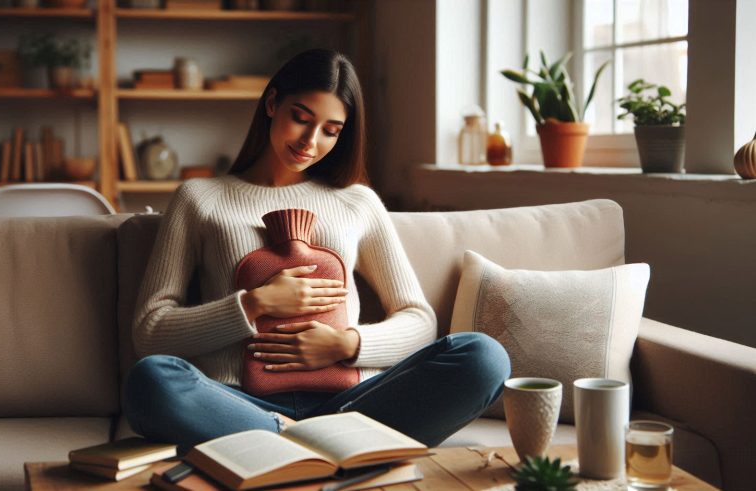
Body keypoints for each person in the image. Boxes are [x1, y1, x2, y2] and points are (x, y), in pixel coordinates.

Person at [123, 49, 510, 451]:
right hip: (239, 403)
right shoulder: (199, 199)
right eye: (301, 119)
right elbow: (149, 330)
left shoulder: (357, 202)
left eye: (331, 130)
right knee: (150, 381)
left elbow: (418, 319)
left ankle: (282, 448)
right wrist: (252, 305)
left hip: (354, 402)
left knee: (484, 357)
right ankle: (309, 442)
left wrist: (346, 344)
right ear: (273, 103)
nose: (311, 141)